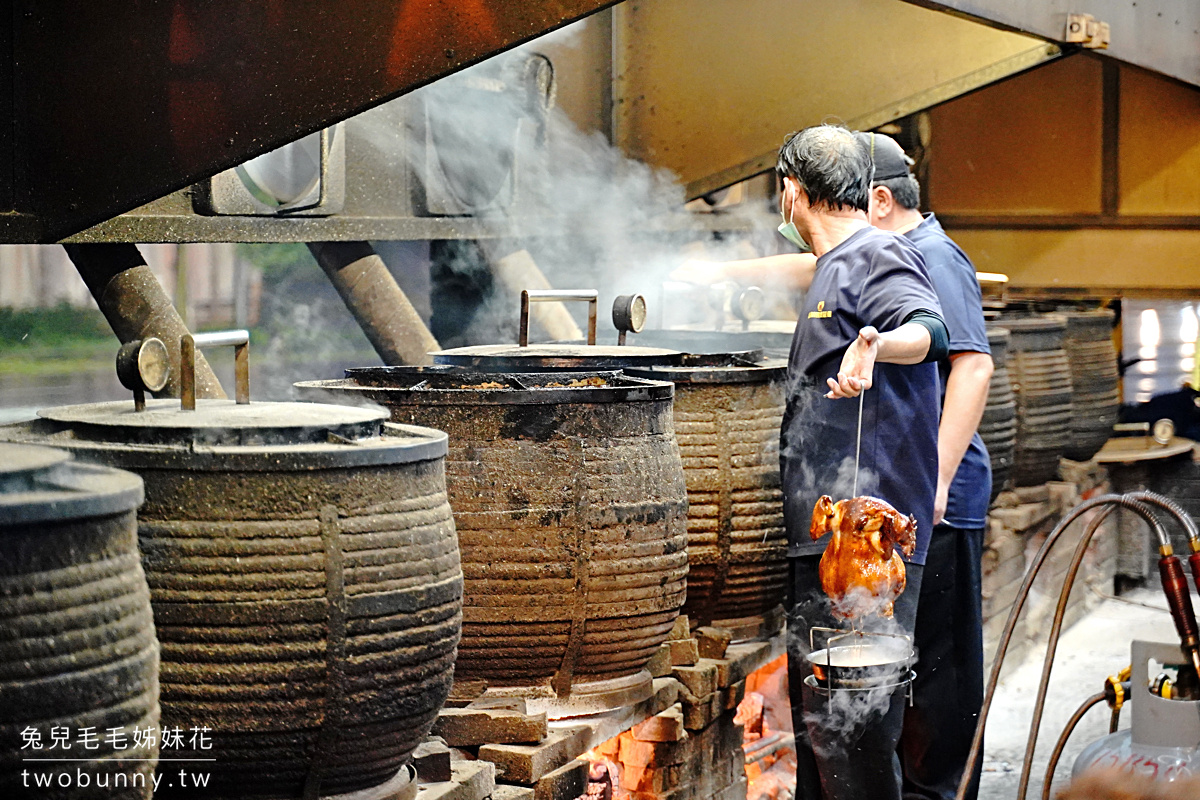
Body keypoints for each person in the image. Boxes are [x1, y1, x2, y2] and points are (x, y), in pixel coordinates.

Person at [772, 124, 948, 800]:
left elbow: (930, 331)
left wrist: (876, 342)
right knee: (830, 731)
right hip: (827, 543)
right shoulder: (836, 266)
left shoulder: (876, 254)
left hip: (864, 549)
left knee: (856, 732)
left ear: (793, 191)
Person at [857, 132, 992, 800]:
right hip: (905, 496)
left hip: (940, 495)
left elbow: (973, 364)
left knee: (942, 674)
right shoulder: (893, 252)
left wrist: (935, 481)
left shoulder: (935, 258)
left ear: (880, 201)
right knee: (910, 671)